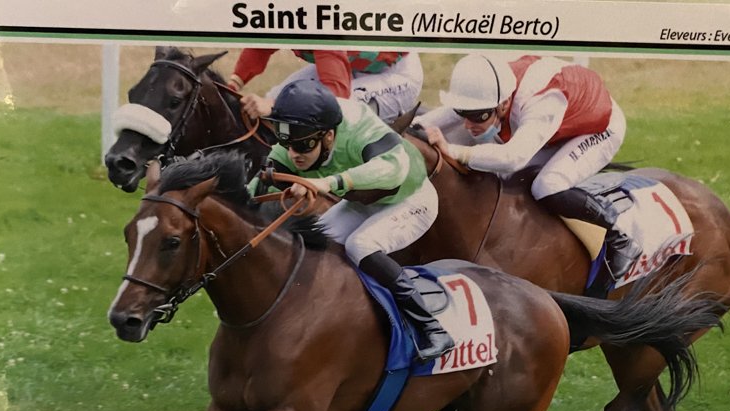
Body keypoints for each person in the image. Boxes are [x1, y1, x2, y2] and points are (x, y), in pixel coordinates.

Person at [257, 79, 454, 362]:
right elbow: (258, 184)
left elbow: (394, 169)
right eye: (287, 144)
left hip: (412, 199)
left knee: (360, 245)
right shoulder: (304, 132)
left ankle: (433, 329)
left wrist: (329, 182)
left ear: (328, 136)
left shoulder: (358, 125)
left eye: (302, 145)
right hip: (364, 202)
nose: (293, 155)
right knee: (315, 244)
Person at [418, 54, 635, 277]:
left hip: (599, 128)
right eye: (463, 114)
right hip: (562, 119)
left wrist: (453, 150)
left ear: (503, 104)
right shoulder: (488, 91)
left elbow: (513, 158)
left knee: (547, 185)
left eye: (477, 116)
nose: (468, 124)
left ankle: (619, 237)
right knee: (506, 176)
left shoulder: (542, 101)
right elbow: (438, 118)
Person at [229, 48, 424, 125]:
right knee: (275, 96)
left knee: (342, 113)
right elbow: (261, 45)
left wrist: (275, 106)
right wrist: (233, 84)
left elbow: (334, 98)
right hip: (349, 65)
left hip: (396, 74)